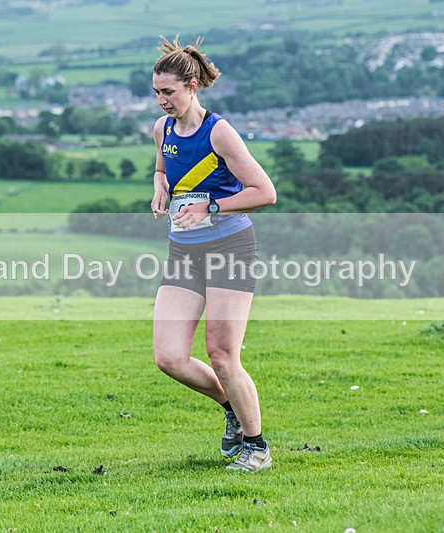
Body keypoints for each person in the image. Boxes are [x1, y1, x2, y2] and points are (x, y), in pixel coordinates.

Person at [149, 36, 277, 470]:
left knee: (222, 354)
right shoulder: (162, 130)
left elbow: (265, 192)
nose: (162, 100)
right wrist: (160, 188)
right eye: (156, 92)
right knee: (169, 356)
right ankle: (233, 411)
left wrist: (212, 205)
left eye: (168, 92)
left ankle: (257, 447)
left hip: (229, 247)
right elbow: (164, 168)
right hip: (183, 250)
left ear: (192, 87)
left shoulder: (218, 131)